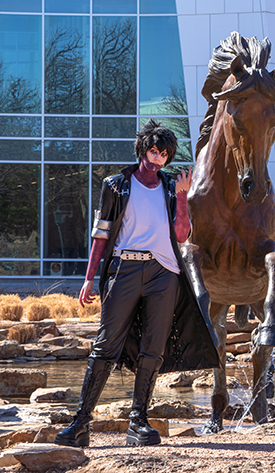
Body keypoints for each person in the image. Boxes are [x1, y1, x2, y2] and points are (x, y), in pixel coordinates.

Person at [54, 120, 220, 448]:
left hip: (164, 273)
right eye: (153, 150)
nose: (157, 157)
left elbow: (181, 235)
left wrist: (184, 198)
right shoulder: (116, 185)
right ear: (142, 149)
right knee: (105, 346)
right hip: (124, 269)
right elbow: (101, 236)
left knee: (153, 349)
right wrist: (89, 277)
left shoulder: (173, 186)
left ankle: (138, 422)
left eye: (164, 153)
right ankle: (80, 424)